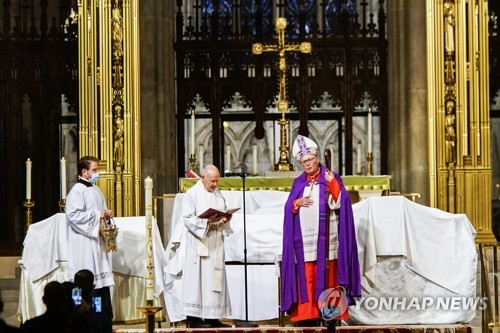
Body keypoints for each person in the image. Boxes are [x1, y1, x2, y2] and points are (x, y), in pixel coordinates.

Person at [281, 135, 361, 328]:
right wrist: (295, 203)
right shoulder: (299, 182)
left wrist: (332, 183)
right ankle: (308, 315)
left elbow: (342, 202)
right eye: (304, 162)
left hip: (328, 240)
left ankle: (330, 315)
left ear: (317, 159)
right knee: (307, 276)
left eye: (310, 160)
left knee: (329, 275)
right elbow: (288, 207)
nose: (307, 164)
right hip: (304, 243)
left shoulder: (330, 176)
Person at [181, 164, 233, 328]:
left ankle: (213, 317)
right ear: (202, 178)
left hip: (215, 244)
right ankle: (193, 318)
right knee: (197, 281)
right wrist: (206, 221)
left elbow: (222, 215)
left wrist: (225, 220)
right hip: (199, 244)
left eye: (217, 181)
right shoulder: (191, 195)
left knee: (213, 282)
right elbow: (187, 218)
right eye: (212, 181)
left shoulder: (218, 195)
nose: (215, 185)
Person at [65, 156, 114, 320]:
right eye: (94, 170)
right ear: (84, 171)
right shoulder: (76, 191)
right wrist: (97, 215)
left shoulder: (96, 190)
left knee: (99, 284)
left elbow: (102, 212)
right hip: (83, 244)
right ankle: (79, 314)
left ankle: (100, 316)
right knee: (82, 281)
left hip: (97, 242)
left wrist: (106, 215)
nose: (97, 173)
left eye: (97, 169)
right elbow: (73, 216)